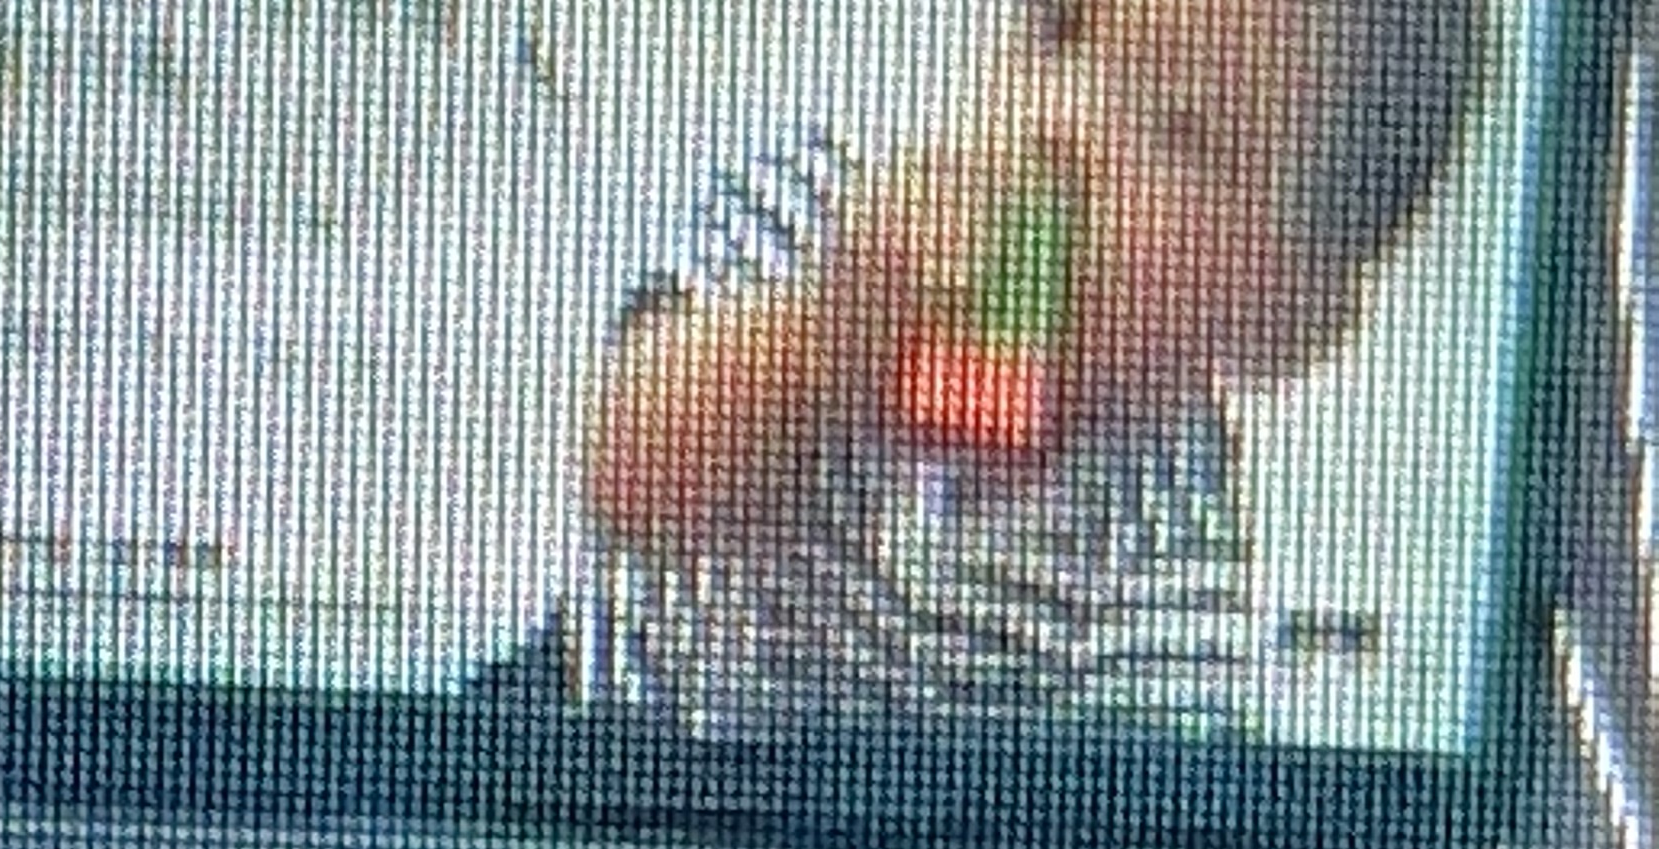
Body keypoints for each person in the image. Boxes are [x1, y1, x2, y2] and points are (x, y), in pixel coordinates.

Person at [569, 0, 1490, 732]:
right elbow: (625, 476)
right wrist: (821, 341)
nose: (1061, 123)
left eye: (1178, 126)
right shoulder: (819, 214)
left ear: (1283, 323)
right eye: (1056, 38)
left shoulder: (1168, 547)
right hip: (603, 768)